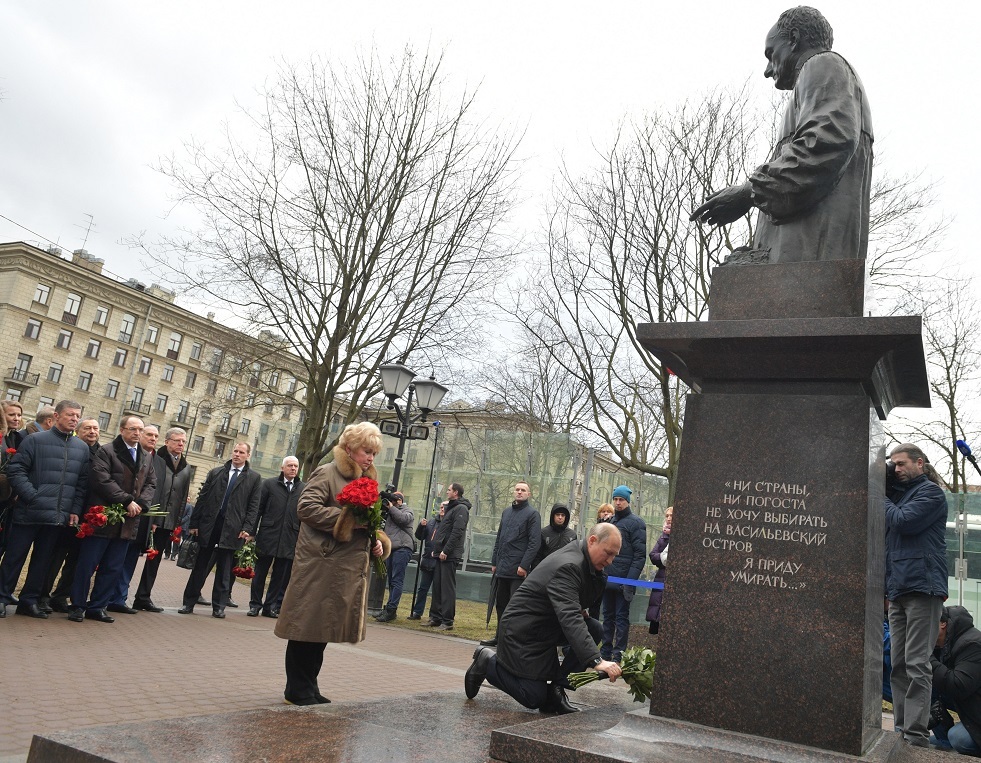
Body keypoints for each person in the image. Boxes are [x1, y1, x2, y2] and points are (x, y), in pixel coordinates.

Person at [690, 7, 873, 265]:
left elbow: (824, 145)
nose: (767, 69)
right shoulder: (818, 78)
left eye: (771, 54)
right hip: (801, 269)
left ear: (794, 39)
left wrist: (749, 192)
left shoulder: (822, 65)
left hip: (807, 268)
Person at [274, 422, 389, 706]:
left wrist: (378, 541)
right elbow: (306, 508)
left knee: (322, 628)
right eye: (366, 451)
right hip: (320, 562)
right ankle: (297, 689)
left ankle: (309, 686)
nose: (370, 458)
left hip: (343, 566)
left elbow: (368, 522)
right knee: (307, 626)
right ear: (349, 448)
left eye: (374, 453)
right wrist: (350, 519)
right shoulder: (328, 472)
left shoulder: (366, 480)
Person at [464, 523, 624, 713]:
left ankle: (557, 688)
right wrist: (597, 661)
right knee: (533, 697)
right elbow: (570, 618)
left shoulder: (586, 561)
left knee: (594, 628)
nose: (611, 561)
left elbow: (572, 603)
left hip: (545, 626)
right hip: (522, 631)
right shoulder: (570, 564)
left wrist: (577, 606)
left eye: (615, 555)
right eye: (608, 553)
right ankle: (488, 661)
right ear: (592, 541)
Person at [0, 401, 89, 619]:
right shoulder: (35, 440)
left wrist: (75, 509)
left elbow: (81, 483)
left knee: (43, 562)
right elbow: (16, 470)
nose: (74, 419)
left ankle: (28, 601)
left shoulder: (82, 448)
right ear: (56, 416)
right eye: (70, 415)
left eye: (77, 416)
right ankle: (2, 597)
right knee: (14, 558)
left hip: (58, 515)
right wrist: (32, 496)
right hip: (28, 512)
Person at [885, 443, 948, 749]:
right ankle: (901, 729)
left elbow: (903, 522)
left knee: (916, 663)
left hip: (924, 588)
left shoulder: (931, 493)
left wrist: (878, 495)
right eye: (892, 464)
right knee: (897, 663)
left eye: (900, 464)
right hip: (898, 589)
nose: (895, 469)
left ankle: (915, 736)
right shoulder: (899, 495)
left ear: (919, 463)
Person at [68, 416, 156, 624]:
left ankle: (97, 606)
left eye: (140, 430)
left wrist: (142, 504)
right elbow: (100, 479)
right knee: (87, 564)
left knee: (113, 567)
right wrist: (126, 500)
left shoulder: (146, 456)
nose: (137, 433)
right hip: (103, 518)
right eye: (133, 429)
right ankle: (78, 606)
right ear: (122, 429)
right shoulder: (107, 451)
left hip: (128, 521)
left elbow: (151, 483)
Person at [179, 441, 262, 618]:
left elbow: (253, 506)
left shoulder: (254, 479)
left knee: (224, 570)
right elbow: (202, 498)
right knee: (200, 567)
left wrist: (247, 528)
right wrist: (194, 524)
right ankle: (188, 603)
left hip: (233, 529)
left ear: (248, 455)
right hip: (210, 526)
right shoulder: (216, 472)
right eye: (235, 451)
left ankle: (219, 606)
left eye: (241, 452)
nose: (237, 454)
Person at [38, 417, 101, 613]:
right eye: (87, 428)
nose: (92, 432)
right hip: (66, 510)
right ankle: (42, 595)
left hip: (88, 515)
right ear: (78, 431)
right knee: (55, 556)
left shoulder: (102, 453)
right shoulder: (71, 448)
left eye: (95, 428)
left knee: (76, 559)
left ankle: (61, 596)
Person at [133, 427, 191, 612]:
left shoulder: (186, 466)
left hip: (169, 520)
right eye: (177, 440)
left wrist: (177, 521)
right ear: (166, 442)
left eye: (183, 441)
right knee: (134, 554)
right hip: (150, 518)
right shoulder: (156, 460)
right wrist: (152, 518)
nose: (180, 444)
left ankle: (143, 597)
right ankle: (118, 592)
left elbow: (182, 496)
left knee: (154, 561)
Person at [481, 482, 541, 647]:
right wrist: (494, 561)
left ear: (529, 494)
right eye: (517, 489)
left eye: (523, 490)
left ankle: (512, 640)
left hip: (517, 571)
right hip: (502, 568)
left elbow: (534, 543)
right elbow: (499, 538)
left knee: (515, 607)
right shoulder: (506, 512)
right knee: (501, 605)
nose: (519, 492)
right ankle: (499, 637)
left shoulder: (532, 514)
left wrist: (524, 565)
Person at [111, 424, 160, 614]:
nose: (152, 438)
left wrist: (144, 507)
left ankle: (119, 598)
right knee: (114, 560)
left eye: (155, 435)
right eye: (148, 434)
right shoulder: (124, 453)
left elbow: (154, 487)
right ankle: (105, 597)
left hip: (143, 518)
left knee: (130, 561)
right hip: (121, 513)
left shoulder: (158, 461)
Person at [249, 456, 304, 618]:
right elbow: (258, 509)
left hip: (290, 538)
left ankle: (270, 606)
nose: (293, 468)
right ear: (282, 468)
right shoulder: (269, 484)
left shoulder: (303, 488)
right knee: (260, 572)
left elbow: (304, 515)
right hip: (268, 535)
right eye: (290, 466)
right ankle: (255, 605)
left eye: (296, 466)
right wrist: (252, 532)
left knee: (280, 577)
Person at [601, 485, 647, 663]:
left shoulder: (636, 523)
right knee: (607, 617)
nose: (618, 503)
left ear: (627, 501)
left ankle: (618, 654)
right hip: (608, 578)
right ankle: (605, 653)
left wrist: (629, 582)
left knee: (621, 618)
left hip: (623, 581)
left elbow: (639, 555)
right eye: (616, 499)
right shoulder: (611, 522)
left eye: (621, 500)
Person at [930, 606, 981, 755]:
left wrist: (926, 656)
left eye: (925, 623)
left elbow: (958, 686)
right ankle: (946, 741)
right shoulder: (942, 645)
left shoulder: (972, 644)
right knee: (932, 742)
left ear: (942, 623)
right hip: (972, 704)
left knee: (958, 738)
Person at [427, 483, 470, 632]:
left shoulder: (461, 509)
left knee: (447, 588)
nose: (447, 492)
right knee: (437, 586)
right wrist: (437, 550)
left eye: (449, 490)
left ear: (456, 492)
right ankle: (435, 617)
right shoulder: (451, 508)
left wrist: (446, 550)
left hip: (449, 555)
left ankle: (447, 620)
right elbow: (443, 531)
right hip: (441, 554)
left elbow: (457, 532)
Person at [374, 490, 414, 623]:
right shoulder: (389, 512)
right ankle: (389, 609)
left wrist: (391, 508)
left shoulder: (407, 510)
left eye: (393, 500)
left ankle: (391, 610)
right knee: (391, 580)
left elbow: (404, 519)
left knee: (397, 580)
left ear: (400, 501)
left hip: (403, 548)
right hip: (393, 549)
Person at [408, 501, 444, 620]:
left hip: (439, 562)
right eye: (441, 507)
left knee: (437, 590)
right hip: (427, 560)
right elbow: (420, 536)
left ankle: (434, 615)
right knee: (422, 588)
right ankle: (417, 612)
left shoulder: (448, 523)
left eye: (445, 507)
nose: (442, 509)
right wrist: (421, 526)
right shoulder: (431, 522)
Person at [646, 506, 672, 635]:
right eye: (667, 516)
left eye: (671, 515)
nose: (668, 518)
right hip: (661, 578)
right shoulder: (663, 535)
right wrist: (664, 559)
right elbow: (653, 555)